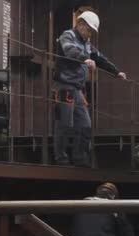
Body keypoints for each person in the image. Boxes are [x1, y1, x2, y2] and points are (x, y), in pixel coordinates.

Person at [53, 10, 127, 167]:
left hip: (77, 89)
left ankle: (80, 159)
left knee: (85, 125)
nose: (90, 34)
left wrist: (116, 71)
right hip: (64, 85)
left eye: (92, 32)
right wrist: (85, 58)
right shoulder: (68, 35)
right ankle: (61, 159)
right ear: (80, 24)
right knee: (64, 123)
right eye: (89, 30)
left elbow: (99, 58)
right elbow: (70, 50)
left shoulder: (87, 43)